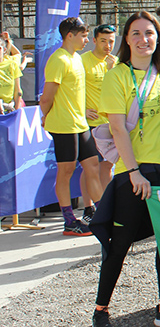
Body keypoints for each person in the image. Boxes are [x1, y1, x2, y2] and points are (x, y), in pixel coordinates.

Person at [90, 11, 160, 327]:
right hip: (132, 174)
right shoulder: (118, 76)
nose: (143, 39)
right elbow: (118, 127)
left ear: (159, 39)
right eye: (135, 33)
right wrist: (134, 171)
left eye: (149, 33)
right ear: (126, 40)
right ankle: (100, 311)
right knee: (119, 243)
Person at [39, 17, 103, 236]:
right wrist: (44, 116)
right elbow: (47, 97)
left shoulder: (75, 58)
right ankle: (69, 220)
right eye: (83, 35)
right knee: (65, 171)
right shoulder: (58, 59)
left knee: (93, 166)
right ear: (70, 35)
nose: (87, 40)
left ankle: (103, 214)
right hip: (64, 125)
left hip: (80, 123)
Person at [82, 24, 118, 190]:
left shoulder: (115, 63)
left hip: (111, 123)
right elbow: (72, 90)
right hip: (91, 124)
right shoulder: (82, 61)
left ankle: (105, 203)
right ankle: (89, 207)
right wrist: (82, 110)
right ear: (94, 40)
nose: (107, 45)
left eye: (111, 41)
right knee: (90, 167)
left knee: (108, 166)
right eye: (103, 41)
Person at [0, 32, 24, 113]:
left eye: (0, 48)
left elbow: (18, 91)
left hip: (9, 110)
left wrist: (17, 112)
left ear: (4, 50)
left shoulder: (11, 63)